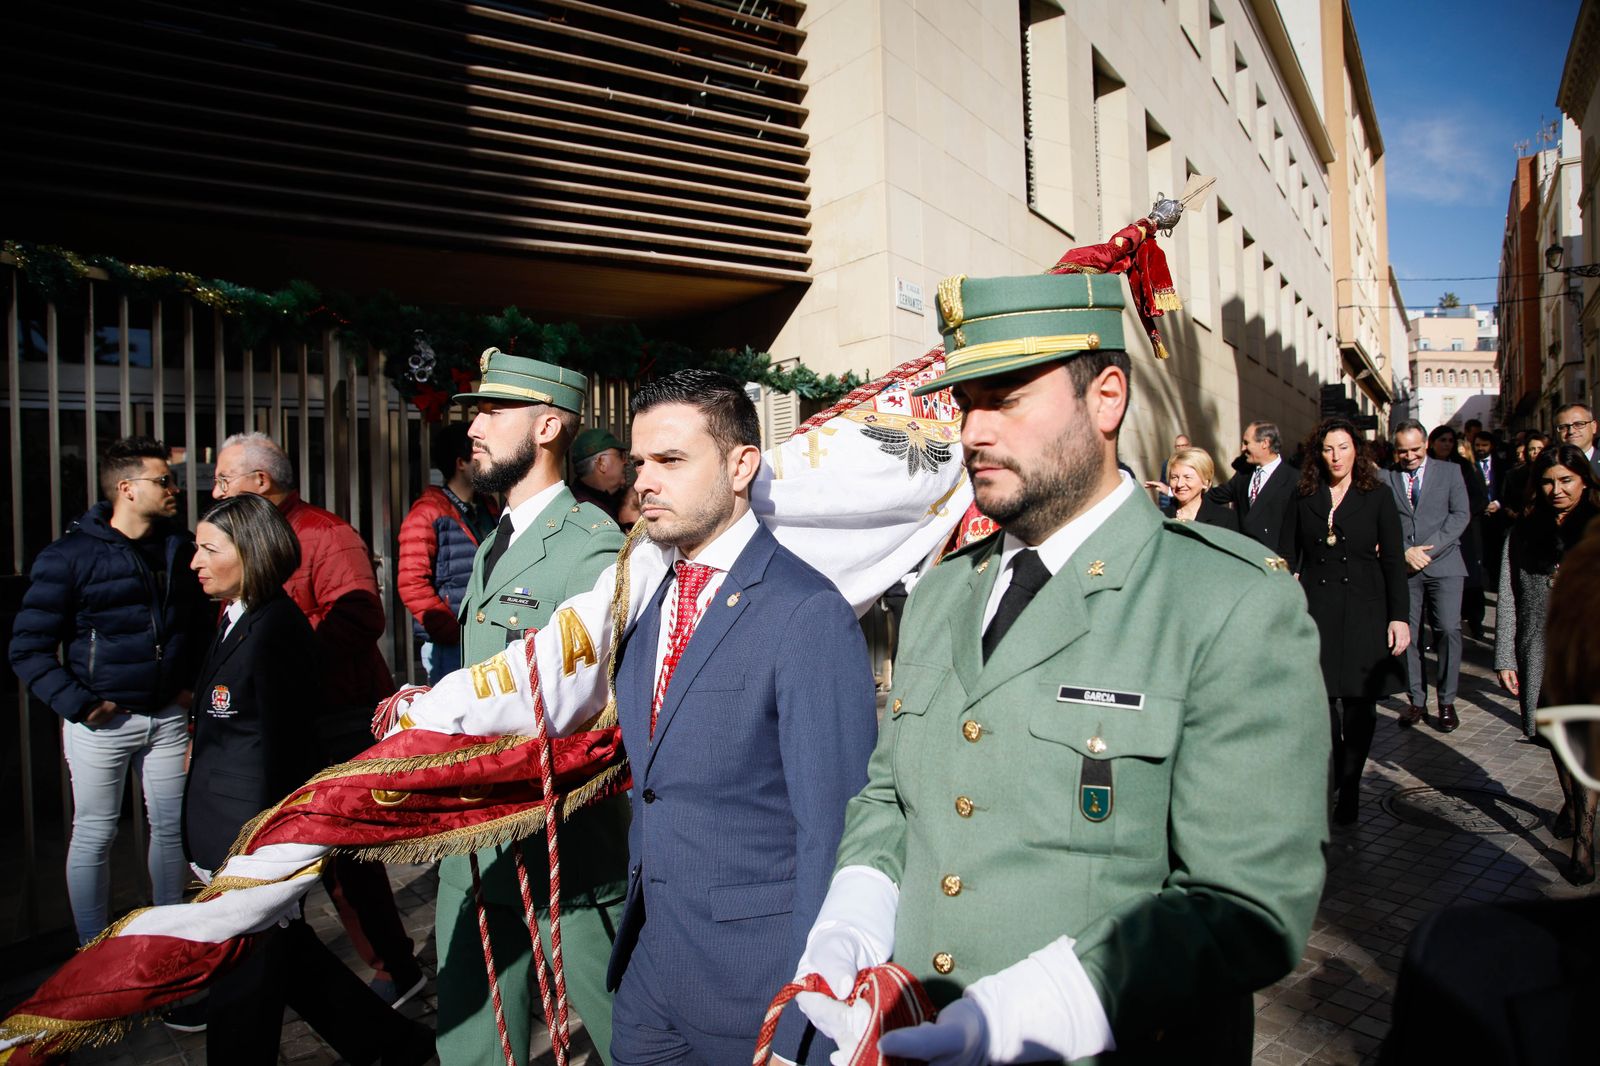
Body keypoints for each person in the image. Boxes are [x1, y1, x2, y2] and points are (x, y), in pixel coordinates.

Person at [795, 271, 1329, 1063]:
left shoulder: (1228, 601)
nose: (972, 431)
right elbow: (892, 796)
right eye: (964, 403)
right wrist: (854, 916)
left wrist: (1038, 1010)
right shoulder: (942, 591)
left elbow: (1249, 900)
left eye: (1005, 399)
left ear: (1106, 398)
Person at [605, 370, 878, 1064]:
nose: (644, 483)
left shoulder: (806, 613)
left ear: (740, 466)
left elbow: (836, 834)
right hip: (649, 975)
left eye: (670, 460)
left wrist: (803, 1022)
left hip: (754, 991)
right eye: (639, 462)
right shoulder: (645, 600)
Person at [183, 493, 434, 1065]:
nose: (196, 562)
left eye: (209, 549)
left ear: (250, 553)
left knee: (244, 985)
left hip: (251, 843)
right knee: (292, 961)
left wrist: (260, 849)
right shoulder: (234, 618)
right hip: (231, 833)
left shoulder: (274, 630)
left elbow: (281, 749)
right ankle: (393, 1045)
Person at [437, 349, 627, 1066]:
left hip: (562, 848)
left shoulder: (592, 548)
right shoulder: (498, 539)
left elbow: (589, 706)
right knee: (472, 1041)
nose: (474, 428)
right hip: (474, 842)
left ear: (548, 427)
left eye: (492, 411)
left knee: (625, 1033)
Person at [212, 432, 424, 1006]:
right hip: (267, 720)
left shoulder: (325, 534)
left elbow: (359, 618)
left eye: (225, 479)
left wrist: (277, 652)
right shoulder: (241, 535)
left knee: (343, 851)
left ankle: (394, 964)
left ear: (261, 481)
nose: (216, 491)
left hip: (330, 714)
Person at [1380, 513, 1600, 1065]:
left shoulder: (1457, 958)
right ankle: (1578, 813)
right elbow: (1513, 595)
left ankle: (1583, 829)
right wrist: (1509, 655)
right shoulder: (1463, 960)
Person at [9, 436, 210, 944]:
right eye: (163, 480)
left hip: (166, 716)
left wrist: (188, 688)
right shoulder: (69, 556)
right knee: (95, 833)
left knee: (172, 828)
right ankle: (92, 950)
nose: (173, 489)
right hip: (102, 723)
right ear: (127, 488)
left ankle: (169, 941)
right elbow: (28, 648)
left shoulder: (180, 547)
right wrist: (82, 705)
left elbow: (199, 628)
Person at [1287, 419, 1409, 824]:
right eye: (1328, 449)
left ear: (1357, 450)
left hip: (1364, 609)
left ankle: (1351, 786)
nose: (1336, 456)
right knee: (1319, 701)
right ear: (1318, 454)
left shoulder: (1377, 496)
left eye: (1343, 447)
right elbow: (1286, 554)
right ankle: (1340, 767)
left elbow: (1393, 560)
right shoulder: (1304, 495)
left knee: (1359, 704)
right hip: (1317, 609)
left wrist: (1399, 617)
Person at [1495, 446, 1600, 868]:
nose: (1557, 490)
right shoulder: (1523, 533)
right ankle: (1572, 804)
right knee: (1556, 737)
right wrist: (1505, 656)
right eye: (1548, 481)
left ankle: (1585, 843)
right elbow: (1508, 596)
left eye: (1567, 480)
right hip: (1540, 650)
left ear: (1585, 481)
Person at [397, 422, 499, 684]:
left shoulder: (488, 506)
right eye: (479, 454)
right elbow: (411, 583)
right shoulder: (427, 512)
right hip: (450, 644)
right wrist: (452, 631)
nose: (488, 460)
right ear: (461, 463)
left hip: (486, 635)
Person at [1386, 420, 1471, 732]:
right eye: (1402, 451)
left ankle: (1446, 701)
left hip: (1444, 564)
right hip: (1405, 568)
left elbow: (1460, 515)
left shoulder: (1450, 472)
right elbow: (1381, 522)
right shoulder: (1385, 477)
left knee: (1448, 629)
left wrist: (1427, 552)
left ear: (1426, 445)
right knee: (1407, 635)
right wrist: (1404, 551)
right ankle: (1416, 701)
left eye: (1415, 450)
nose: (1409, 457)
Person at [1208, 420, 1297, 557]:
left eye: (1246, 443)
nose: (1243, 448)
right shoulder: (1244, 473)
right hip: (1244, 555)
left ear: (1265, 443)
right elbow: (1217, 495)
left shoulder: (1292, 478)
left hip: (1273, 559)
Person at [1160, 445, 1236, 529]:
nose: (1179, 484)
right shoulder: (1160, 518)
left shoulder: (1225, 518)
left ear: (1206, 482)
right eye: (1174, 477)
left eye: (1187, 477)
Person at [570, 426, 629, 521]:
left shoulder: (626, 499)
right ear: (602, 463)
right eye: (620, 456)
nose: (625, 462)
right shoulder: (583, 513)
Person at [1501, 430, 1547, 513]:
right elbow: (1506, 501)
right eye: (1532, 449)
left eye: (1540, 448)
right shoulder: (1513, 475)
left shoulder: (1553, 472)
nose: (1536, 452)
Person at [1554, 401, 1600, 478]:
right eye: (1563, 427)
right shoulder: (1552, 466)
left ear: (1593, 427)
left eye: (1579, 424)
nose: (1571, 431)